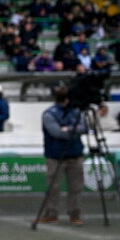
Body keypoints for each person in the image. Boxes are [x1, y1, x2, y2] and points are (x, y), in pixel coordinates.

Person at [39, 87, 88, 225]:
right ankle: (51, 213)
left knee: (76, 187)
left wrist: (68, 129)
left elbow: (84, 127)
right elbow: (57, 133)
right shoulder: (49, 114)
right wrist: (73, 129)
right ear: (66, 100)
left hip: (75, 153)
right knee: (53, 187)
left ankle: (75, 214)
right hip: (55, 155)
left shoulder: (76, 111)